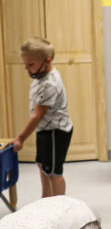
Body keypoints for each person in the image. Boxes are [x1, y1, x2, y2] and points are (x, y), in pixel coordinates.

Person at [12, 37, 73, 197]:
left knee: (54, 172)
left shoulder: (49, 84)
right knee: (42, 165)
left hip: (55, 131)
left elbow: (37, 116)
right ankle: (46, 199)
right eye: (25, 64)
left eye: (30, 64)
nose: (26, 68)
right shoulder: (41, 77)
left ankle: (59, 207)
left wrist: (20, 138)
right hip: (46, 129)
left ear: (47, 61)